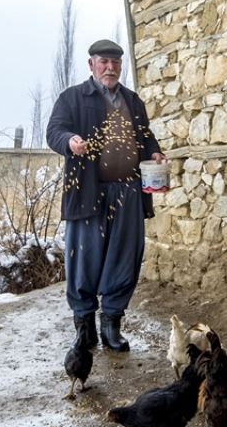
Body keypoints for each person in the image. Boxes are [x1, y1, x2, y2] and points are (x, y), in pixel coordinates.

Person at [46, 39, 165, 351]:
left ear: (120, 66)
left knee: (124, 259)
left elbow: (145, 136)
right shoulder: (74, 97)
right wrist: (70, 141)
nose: (110, 68)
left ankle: (112, 323)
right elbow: (55, 131)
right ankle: (84, 328)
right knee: (84, 259)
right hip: (88, 191)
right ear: (92, 65)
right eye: (103, 62)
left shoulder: (132, 100)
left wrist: (154, 153)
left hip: (128, 191)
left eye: (115, 63)